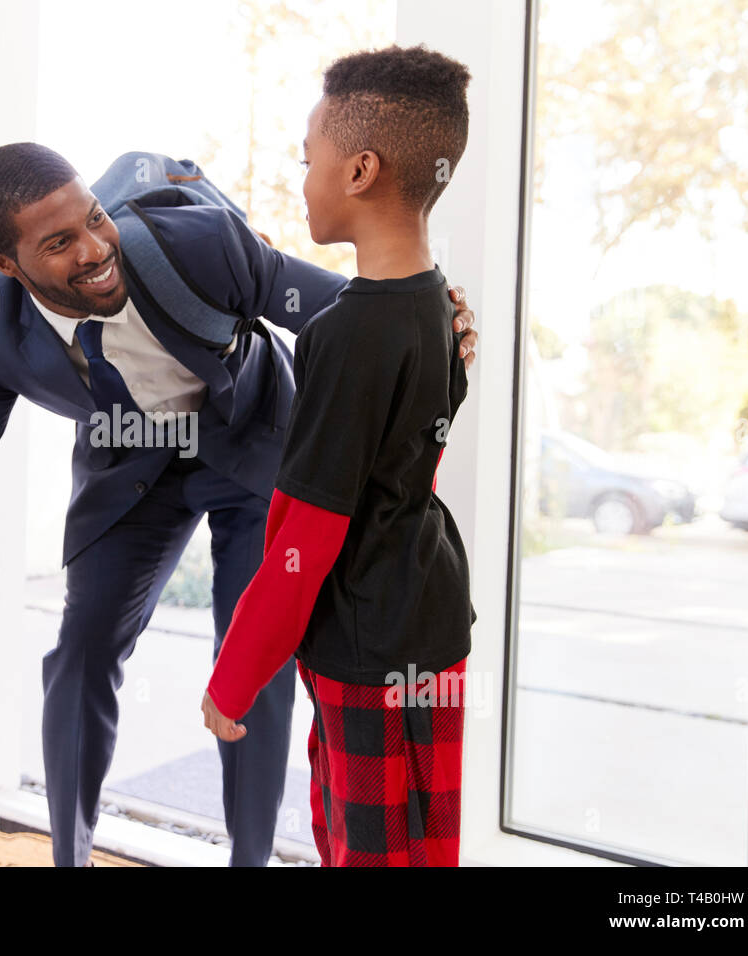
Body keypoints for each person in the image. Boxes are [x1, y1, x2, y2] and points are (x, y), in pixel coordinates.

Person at [0, 142, 479, 867]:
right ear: (7, 266)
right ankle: (70, 858)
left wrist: (433, 321)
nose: (93, 250)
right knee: (80, 652)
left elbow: (340, 311)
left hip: (250, 438)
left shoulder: (199, 246)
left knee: (252, 659)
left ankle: (249, 859)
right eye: (58, 243)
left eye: (94, 220)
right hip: (129, 470)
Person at [201, 45, 478, 867]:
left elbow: (302, 538)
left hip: (365, 642)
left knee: (364, 848)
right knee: (427, 841)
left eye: (308, 159)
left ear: (359, 170)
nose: (303, 177)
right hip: (432, 618)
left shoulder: (344, 334)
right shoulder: (440, 302)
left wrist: (234, 677)